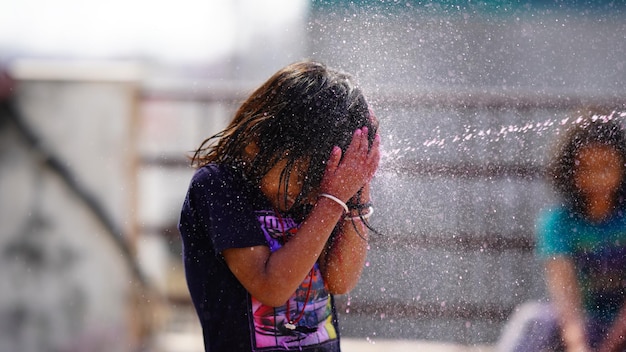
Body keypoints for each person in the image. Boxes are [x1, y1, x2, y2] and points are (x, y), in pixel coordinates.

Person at [177, 60, 380, 352]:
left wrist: (357, 190)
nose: (308, 198)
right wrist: (332, 201)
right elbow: (272, 287)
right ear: (256, 142)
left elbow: (340, 280)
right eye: (299, 179)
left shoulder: (322, 197)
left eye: (317, 189)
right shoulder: (219, 187)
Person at [498, 110, 626, 352]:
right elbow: (565, 295)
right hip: (584, 324)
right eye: (586, 168)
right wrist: (578, 346)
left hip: (621, 328)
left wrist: (610, 347)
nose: (597, 177)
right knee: (532, 319)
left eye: (606, 166)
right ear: (570, 171)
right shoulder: (557, 222)